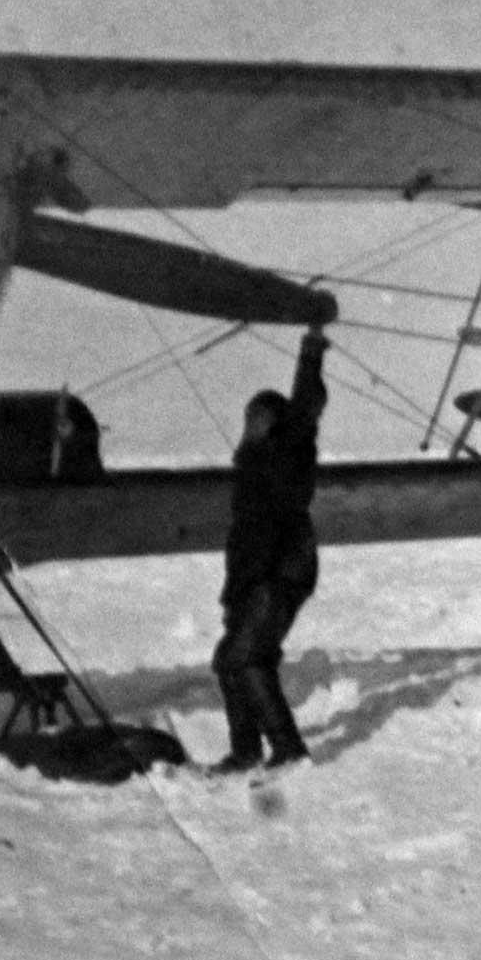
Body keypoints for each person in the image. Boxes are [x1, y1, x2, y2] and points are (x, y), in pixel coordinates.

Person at [213, 325, 329, 771]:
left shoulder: (288, 449)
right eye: (250, 417)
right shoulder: (251, 466)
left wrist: (311, 351)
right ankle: (246, 752)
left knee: (246, 658)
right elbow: (246, 540)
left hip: (282, 570)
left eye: (258, 417)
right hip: (257, 575)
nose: (251, 425)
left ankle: (289, 749)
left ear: (275, 423)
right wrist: (235, 594)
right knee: (229, 660)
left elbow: (306, 405)